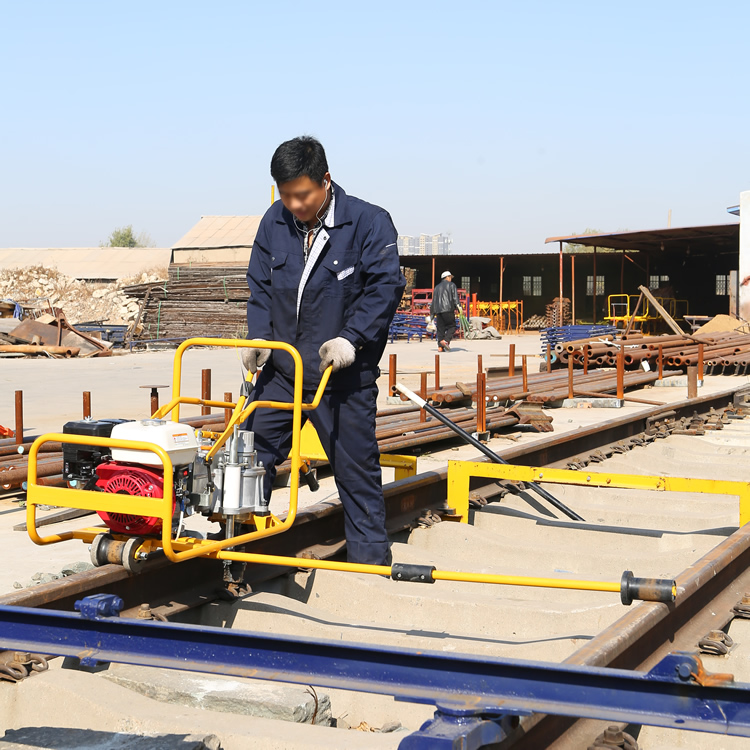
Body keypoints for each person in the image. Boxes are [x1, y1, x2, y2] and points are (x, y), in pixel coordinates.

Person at [241, 136, 405, 566]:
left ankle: (369, 562)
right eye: (285, 195)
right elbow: (260, 287)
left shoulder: (368, 223)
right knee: (248, 456)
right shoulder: (274, 222)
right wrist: (259, 338)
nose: (294, 204)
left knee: (355, 470)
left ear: (325, 180)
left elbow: (384, 289)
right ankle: (236, 554)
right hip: (284, 371)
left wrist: (352, 338)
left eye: (302, 195)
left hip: (342, 377)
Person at [430, 270, 461, 352]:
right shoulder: (451, 285)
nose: (451, 279)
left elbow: (434, 301)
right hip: (448, 309)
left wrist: (432, 314)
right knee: (452, 327)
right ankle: (446, 341)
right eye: (450, 277)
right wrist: (459, 308)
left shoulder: (437, 287)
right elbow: (455, 298)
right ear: (447, 277)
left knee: (440, 329)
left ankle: (440, 347)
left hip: (438, 311)